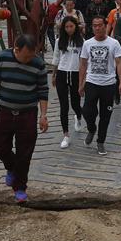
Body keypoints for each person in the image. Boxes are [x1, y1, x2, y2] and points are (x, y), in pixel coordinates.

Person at [0, 35, 49, 203]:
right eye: (26, 56)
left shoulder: (38, 63)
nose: (29, 59)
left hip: (27, 113)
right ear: (16, 50)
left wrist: (43, 115)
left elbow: (43, 90)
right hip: (5, 111)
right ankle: (11, 168)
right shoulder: (2, 58)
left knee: (25, 152)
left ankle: (20, 188)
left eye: (32, 55)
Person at [78, 17, 121, 156]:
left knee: (106, 115)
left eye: (100, 25)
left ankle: (100, 142)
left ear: (105, 26)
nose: (97, 28)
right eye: (95, 26)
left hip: (109, 84)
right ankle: (92, 128)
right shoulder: (87, 44)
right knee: (87, 110)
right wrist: (81, 84)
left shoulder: (114, 43)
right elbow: (83, 64)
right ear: (92, 28)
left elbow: (119, 63)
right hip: (91, 82)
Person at [51, 17, 84, 148]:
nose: (69, 29)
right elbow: (56, 58)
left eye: (71, 26)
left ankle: (78, 116)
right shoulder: (59, 41)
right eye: (66, 27)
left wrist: (83, 80)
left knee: (75, 103)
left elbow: (84, 61)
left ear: (75, 27)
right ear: (63, 28)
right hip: (62, 73)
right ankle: (66, 135)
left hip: (76, 74)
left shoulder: (82, 42)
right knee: (63, 105)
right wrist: (54, 75)